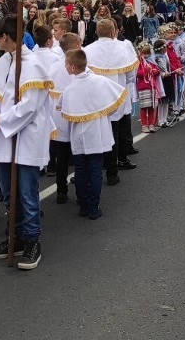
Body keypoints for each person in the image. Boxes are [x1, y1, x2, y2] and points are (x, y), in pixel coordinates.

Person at [0, 14, 54, 270]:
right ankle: (15, 236)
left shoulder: (31, 64)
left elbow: (31, 106)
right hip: (4, 134)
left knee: (26, 192)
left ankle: (32, 240)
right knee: (8, 191)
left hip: (26, 135)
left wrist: (0, 118)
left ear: (5, 37)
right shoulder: (4, 61)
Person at [60, 47, 127, 219]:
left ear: (73, 68)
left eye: (66, 64)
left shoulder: (70, 90)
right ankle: (93, 206)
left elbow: (66, 113)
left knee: (81, 170)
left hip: (79, 136)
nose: (65, 67)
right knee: (95, 170)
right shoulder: (100, 81)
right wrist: (104, 114)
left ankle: (83, 205)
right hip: (97, 131)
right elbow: (116, 101)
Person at [84, 17, 138, 184]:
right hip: (117, 96)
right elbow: (131, 75)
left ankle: (98, 167)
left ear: (97, 33)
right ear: (114, 32)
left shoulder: (88, 50)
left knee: (97, 133)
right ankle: (113, 172)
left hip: (96, 97)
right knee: (115, 133)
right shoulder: (123, 48)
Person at [136, 42, 161, 132]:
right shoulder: (138, 62)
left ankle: (151, 124)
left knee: (151, 106)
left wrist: (155, 71)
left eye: (148, 53)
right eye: (144, 53)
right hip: (143, 87)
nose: (146, 55)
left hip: (152, 87)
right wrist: (145, 71)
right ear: (140, 53)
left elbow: (158, 71)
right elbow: (137, 74)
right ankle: (144, 125)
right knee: (144, 107)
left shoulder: (151, 61)